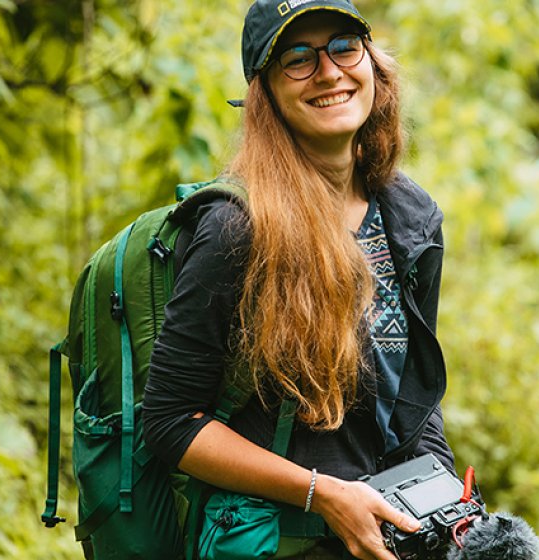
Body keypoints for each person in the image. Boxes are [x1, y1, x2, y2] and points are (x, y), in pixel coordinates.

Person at [143, 1, 454, 558]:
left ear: (371, 65)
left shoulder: (410, 216)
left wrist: (448, 510)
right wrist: (322, 494)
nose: (330, 72)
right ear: (267, 94)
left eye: (342, 47)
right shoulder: (236, 229)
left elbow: (414, 403)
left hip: (378, 538)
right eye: (298, 59)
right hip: (270, 541)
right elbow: (170, 422)